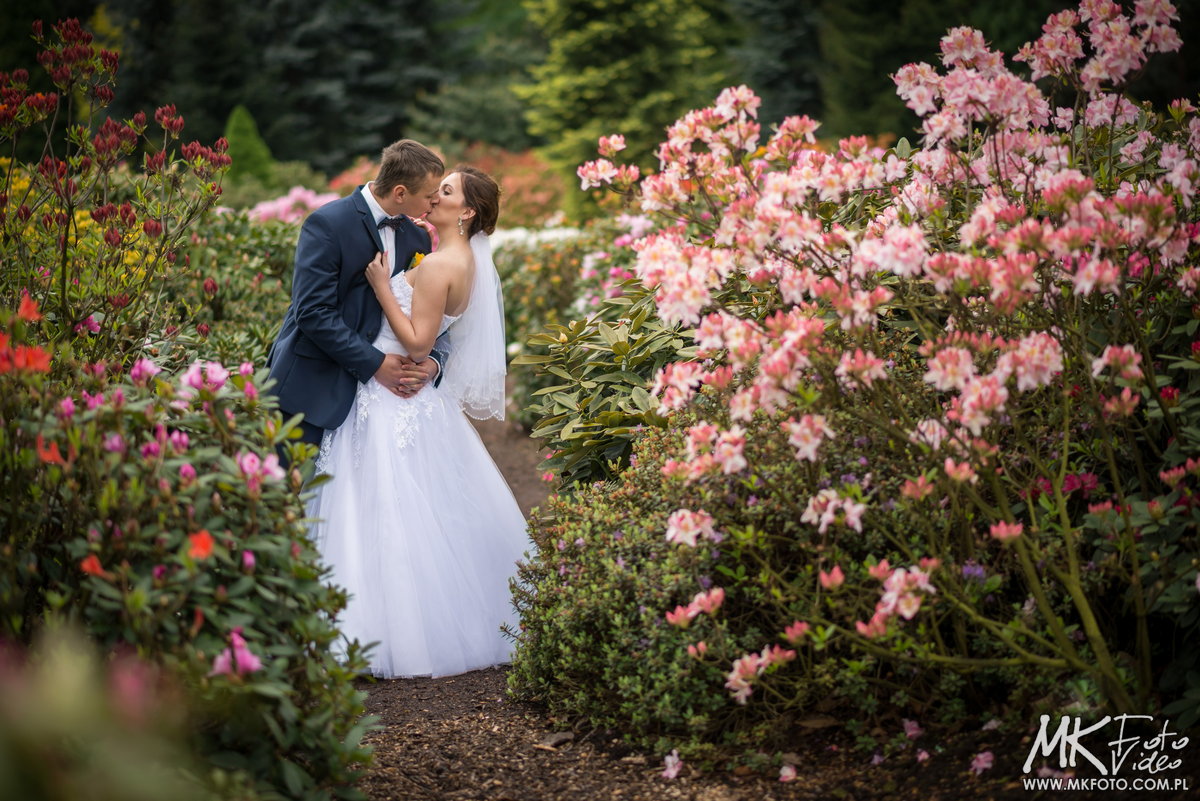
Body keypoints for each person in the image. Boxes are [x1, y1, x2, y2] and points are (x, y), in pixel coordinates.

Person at [307, 166, 530, 678]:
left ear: (468, 211)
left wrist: (385, 286)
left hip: (391, 388)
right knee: (421, 506)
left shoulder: (434, 265)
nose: (434, 197)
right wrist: (429, 362)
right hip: (408, 390)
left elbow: (417, 341)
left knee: (380, 504)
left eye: (446, 192)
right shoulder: (463, 260)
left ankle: (377, 630)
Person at [266, 139, 447, 449]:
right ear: (400, 193)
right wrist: (374, 363)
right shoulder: (328, 224)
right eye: (430, 196)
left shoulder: (417, 236)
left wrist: (434, 361)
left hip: (387, 404)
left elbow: (427, 309)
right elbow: (312, 312)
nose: (436, 203)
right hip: (313, 388)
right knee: (292, 493)